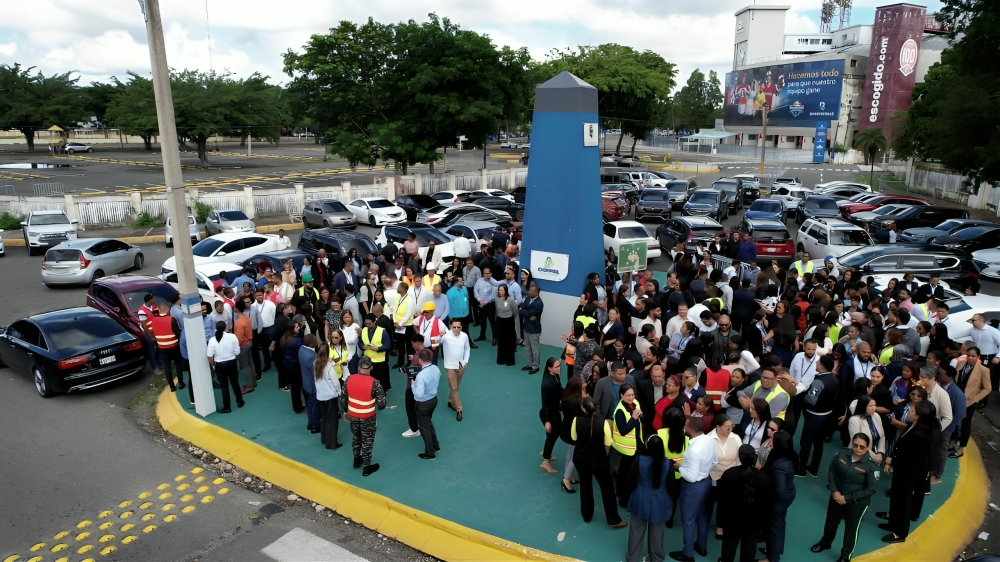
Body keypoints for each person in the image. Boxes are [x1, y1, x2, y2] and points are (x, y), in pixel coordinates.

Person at [811, 433, 880, 561]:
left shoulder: (872, 466)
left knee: (851, 529)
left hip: (857, 503)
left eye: (862, 446)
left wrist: (847, 498)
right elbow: (832, 470)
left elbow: (871, 489)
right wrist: (834, 491)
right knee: (831, 521)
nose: (858, 449)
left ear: (867, 447)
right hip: (837, 496)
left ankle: (845, 554)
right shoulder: (842, 454)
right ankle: (825, 543)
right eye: (855, 445)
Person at [571, 396, 627, 527]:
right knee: (607, 488)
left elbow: (574, 437)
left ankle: (587, 515)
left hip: (581, 459)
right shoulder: (602, 423)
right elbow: (608, 442)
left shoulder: (576, 420)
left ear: (583, 409)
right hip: (598, 461)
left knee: (585, 486)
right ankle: (613, 519)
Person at [669, 417, 716, 562]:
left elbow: (690, 476)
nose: (684, 427)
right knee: (702, 515)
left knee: (688, 520)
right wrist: (704, 471)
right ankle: (701, 546)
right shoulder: (708, 439)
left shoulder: (693, 451)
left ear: (691, 429)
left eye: (686, 425)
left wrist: (678, 467)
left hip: (693, 488)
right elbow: (715, 461)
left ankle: (687, 553)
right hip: (706, 482)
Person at [718, 445, 772, 562]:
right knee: (750, 546)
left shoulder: (730, 474)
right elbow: (767, 501)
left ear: (739, 457)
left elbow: (721, 497)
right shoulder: (763, 478)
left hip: (732, 518)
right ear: (754, 458)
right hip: (754, 521)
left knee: (729, 544)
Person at [625, 435, 673, 562]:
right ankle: (656, 558)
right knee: (657, 534)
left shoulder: (640, 459)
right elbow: (672, 486)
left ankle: (632, 558)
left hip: (640, 500)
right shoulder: (668, 463)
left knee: (636, 531)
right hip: (660, 502)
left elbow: (630, 479)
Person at [342, 357, 387, 476]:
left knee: (356, 437)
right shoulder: (375, 383)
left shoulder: (349, 379)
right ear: (371, 367)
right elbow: (382, 404)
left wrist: (346, 411)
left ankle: (356, 459)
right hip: (368, 417)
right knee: (367, 440)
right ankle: (367, 466)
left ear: (358, 367)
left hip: (353, 415)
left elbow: (343, 399)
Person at [798, 354, 841, 476]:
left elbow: (811, 400)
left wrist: (803, 393)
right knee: (818, 443)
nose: (816, 363)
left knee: (805, 443)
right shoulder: (834, 379)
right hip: (827, 414)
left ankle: (801, 470)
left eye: (818, 362)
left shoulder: (818, 382)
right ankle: (814, 468)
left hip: (814, 416)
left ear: (822, 365)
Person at [762, 430, 797, 562]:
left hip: (779, 500)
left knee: (774, 528)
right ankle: (776, 550)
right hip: (790, 492)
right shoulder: (791, 455)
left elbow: (780, 491)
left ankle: (772, 558)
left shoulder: (779, 466)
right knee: (781, 523)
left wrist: (773, 502)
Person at [953, 346, 993, 458]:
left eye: (973, 356)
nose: (970, 358)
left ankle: (961, 448)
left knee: (965, 424)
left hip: (970, 401)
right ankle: (951, 444)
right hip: (957, 399)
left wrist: (976, 398)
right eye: (969, 356)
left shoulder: (983, 370)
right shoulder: (960, 365)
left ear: (978, 357)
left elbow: (988, 388)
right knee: (954, 422)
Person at [918, 365, 953, 485]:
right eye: (920, 376)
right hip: (923, 429)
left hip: (936, 430)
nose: (920, 379)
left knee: (939, 451)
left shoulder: (942, 394)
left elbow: (948, 417)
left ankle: (937, 475)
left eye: (924, 377)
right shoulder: (922, 389)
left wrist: (935, 431)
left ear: (933, 378)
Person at [613, 382, 644, 507]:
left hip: (637, 443)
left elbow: (642, 417)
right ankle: (622, 495)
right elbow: (623, 430)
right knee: (625, 473)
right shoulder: (619, 411)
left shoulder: (635, 403)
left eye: (632, 394)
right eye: (628, 395)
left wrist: (641, 416)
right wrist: (634, 418)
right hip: (626, 447)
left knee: (627, 471)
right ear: (622, 396)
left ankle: (624, 491)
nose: (631, 398)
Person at [206, 320, 243, 413]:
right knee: (235, 383)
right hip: (231, 362)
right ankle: (240, 401)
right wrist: (235, 359)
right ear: (225, 328)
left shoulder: (212, 340)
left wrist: (213, 365)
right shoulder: (232, 336)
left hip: (220, 365)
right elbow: (237, 352)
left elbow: (209, 356)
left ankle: (227, 407)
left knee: (224, 386)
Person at [412, 348, 441, 459]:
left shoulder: (421, 376)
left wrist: (413, 384)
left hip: (423, 404)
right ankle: (435, 445)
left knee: (424, 428)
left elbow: (418, 394)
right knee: (428, 423)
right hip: (433, 399)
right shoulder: (435, 368)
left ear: (420, 360)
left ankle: (430, 452)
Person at [313, 342, 343, 449]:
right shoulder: (329, 367)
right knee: (332, 419)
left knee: (324, 417)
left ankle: (324, 438)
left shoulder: (316, 363)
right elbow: (335, 383)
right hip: (330, 396)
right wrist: (339, 392)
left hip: (320, 395)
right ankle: (332, 443)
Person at [560, 378, 587, 494]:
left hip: (566, 429)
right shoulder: (577, 403)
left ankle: (569, 475)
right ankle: (566, 479)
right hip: (574, 432)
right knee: (575, 455)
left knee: (570, 453)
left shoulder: (566, 398)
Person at [442, 318, 471, 422]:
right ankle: (459, 409)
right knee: (454, 387)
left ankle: (450, 401)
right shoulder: (445, 336)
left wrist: (465, 362)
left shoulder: (464, 336)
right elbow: (436, 341)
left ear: (461, 327)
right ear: (451, 327)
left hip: (461, 365)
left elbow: (467, 349)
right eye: (454, 327)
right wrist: (439, 335)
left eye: (458, 327)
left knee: (456, 386)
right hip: (449, 365)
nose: (456, 329)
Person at [540, 357, 564, 474]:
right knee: (553, 435)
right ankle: (545, 461)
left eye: (559, 366)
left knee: (552, 435)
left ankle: (546, 452)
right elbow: (544, 403)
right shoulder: (548, 384)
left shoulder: (555, 376)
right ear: (549, 368)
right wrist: (547, 421)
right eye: (556, 367)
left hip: (553, 411)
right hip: (549, 414)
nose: (559, 368)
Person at [848, 395, 886, 465]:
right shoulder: (854, 420)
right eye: (870, 406)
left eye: (875, 405)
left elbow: (882, 436)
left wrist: (880, 453)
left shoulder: (876, 415)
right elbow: (858, 442)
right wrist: (875, 457)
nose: (874, 408)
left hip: (876, 453)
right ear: (863, 406)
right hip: (859, 455)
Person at [360, 313, 393, 393]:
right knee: (369, 379)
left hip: (379, 361)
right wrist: (362, 346)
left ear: (374, 322)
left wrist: (378, 348)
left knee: (381, 380)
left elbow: (388, 345)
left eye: (369, 323)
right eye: (366, 323)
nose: (367, 325)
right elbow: (360, 341)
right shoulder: (364, 330)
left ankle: (382, 394)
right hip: (367, 360)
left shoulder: (382, 331)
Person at [249, 289, 277, 378]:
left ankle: (277, 363)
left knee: (274, 347)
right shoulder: (252, 306)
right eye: (257, 295)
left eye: (260, 295)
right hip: (259, 330)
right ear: (254, 296)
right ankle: (267, 364)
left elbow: (274, 315)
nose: (259, 297)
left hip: (270, 328)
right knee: (264, 348)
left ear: (263, 295)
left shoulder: (270, 304)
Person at [280, 317, 305, 413]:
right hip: (296, 365)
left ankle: (296, 406)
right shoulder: (297, 340)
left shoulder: (284, 338)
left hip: (287, 364)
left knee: (294, 387)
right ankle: (302, 404)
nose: (298, 328)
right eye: (297, 327)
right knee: (300, 385)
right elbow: (301, 353)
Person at [520, 283, 544, 374]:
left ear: (537, 293)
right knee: (528, 348)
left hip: (534, 329)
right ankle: (530, 364)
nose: (529, 292)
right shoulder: (527, 298)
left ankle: (535, 366)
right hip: (526, 326)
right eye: (529, 290)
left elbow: (527, 312)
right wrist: (525, 312)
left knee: (535, 349)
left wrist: (525, 312)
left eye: (531, 291)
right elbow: (524, 311)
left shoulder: (539, 303)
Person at [390, 283, 415, 369]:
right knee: (400, 345)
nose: (397, 288)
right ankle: (400, 362)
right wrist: (395, 322)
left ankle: (409, 362)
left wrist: (400, 324)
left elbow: (408, 315)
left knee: (408, 346)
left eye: (398, 287)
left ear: (403, 289)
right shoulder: (397, 297)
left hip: (407, 326)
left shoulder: (410, 300)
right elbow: (394, 310)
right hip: (398, 326)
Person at [298, 334, 320, 433]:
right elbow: (316, 372)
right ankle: (315, 426)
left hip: (306, 382)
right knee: (314, 406)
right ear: (311, 343)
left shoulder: (301, 349)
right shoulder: (311, 357)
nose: (317, 340)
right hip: (312, 385)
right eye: (315, 339)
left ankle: (310, 423)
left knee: (310, 404)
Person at [234, 300, 255, 394]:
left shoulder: (238, 323)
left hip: (243, 345)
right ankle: (252, 382)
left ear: (236, 309)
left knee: (245, 366)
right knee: (250, 363)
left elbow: (239, 338)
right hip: (249, 342)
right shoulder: (247, 318)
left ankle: (250, 386)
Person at [494, 284, 518, 366]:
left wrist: (511, 319)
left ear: (505, 291)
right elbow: (497, 310)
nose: (500, 292)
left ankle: (510, 360)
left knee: (509, 341)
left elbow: (515, 311)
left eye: (502, 290)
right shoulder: (497, 299)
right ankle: (501, 359)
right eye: (499, 290)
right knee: (501, 340)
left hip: (509, 321)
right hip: (500, 320)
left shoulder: (510, 300)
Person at [474, 268, 498, 343]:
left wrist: (485, 302)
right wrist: (479, 300)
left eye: (487, 273)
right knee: (483, 320)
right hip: (481, 303)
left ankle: (495, 337)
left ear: (491, 274)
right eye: (484, 273)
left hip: (490, 304)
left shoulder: (494, 282)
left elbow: (493, 295)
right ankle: (482, 335)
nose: (486, 275)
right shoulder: (479, 281)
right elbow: (475, 290)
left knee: (492, 321)